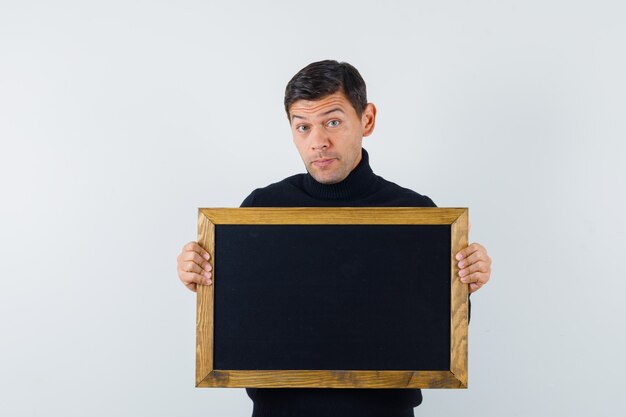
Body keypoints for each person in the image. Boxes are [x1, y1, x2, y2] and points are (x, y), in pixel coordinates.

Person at [176, 60, 492, 417]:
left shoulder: (416, 214)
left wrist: (465, 282)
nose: (318, 142)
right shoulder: (260, 209)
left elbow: (435, 336)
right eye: (303, 127)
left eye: (333, 122)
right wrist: (200, 275)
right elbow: (240, 321)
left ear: (367, 120)